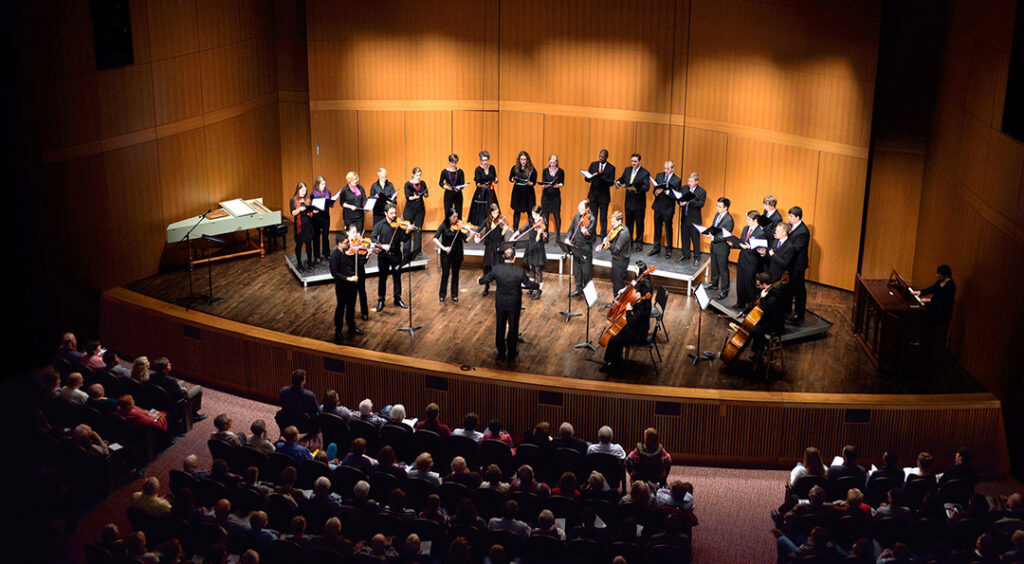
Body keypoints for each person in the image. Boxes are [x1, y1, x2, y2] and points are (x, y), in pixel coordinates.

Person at [478, 247, 540, 363]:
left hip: (501, 302)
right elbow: (528, 284)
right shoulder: (519, 271)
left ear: (503, 257)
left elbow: (486, 279)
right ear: (514, 258)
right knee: (513, 327)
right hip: (514, 303)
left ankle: (501, 352)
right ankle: (511, 353)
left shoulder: (496, 269)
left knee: (500, 326)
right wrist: (538, 286)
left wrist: (479, 281)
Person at [600, 262, 653, 372]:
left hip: (639, 334)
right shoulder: (641, 303)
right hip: (637, 328)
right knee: (618, 333)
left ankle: (612, 364)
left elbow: (631, 321)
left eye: (636, 293)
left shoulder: (642, 306)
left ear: (641, 295)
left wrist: (629, 311)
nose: (635, 294)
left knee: (614, 339)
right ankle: (616, 359)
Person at [371, 203, 413, 312]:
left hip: (396, 254)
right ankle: (381, 300)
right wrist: (382, 245)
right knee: (382, 279)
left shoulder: (398, 225)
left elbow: (404, 239)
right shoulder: (379, 225)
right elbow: (373, 238)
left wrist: (408, 231)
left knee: (397, 277)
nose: (394, 215)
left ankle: (397, 298)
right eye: (391, 213)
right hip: (383, 256)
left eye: (395, 213)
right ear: (385, 213)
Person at [912, 264, 956, 350]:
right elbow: (932, 288)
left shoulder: (951, 286)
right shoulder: (940, 282)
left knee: (938, 334)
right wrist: (920, 292)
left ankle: (932, 349)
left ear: (944, 274)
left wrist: (929, 300)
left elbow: (944, 301)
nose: (937, 275)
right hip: (934, 309)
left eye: (939, 274)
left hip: (942, 313)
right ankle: (924, 343)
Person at [746, 272, 788, 362]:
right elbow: (756, 303)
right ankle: (759, 350)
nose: (758, 287)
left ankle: (765, 344)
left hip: (775, 324)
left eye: (759, 285)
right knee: (756, 328)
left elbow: (767, 310)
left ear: (764, 284)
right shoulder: (767, 290)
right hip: (768, 319)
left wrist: (762, 298)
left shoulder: (773, 295)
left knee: (754, 330)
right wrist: (745, 312)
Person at [732, 210, 768, 310]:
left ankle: (750, 306)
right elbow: (741, 242)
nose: (747, 221)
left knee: (749, 285)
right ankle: (740, 303)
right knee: (740, 283)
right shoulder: (745, 228)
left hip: (751, 262)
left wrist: (750, 247)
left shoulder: (760, 233)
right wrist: (734, 244)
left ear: (755, 220)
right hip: (742, 259)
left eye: (749, 219)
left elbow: (761, 249)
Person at [149, 357, 204, 421]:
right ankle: (193, 415)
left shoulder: (151, 376)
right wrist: (183, 390)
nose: (170, 364)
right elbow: (181, 394)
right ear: (164, 370)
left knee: (182, 382)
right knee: (199, 388)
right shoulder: (170, 380)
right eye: (168, 365)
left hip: (161, 399)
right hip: (174, 401)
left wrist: (178, 388)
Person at [329, 233, 361, 342]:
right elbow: (334, 273)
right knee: (341, 308)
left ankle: (351, 327)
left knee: (351, 307)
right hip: (342, 286)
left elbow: (358, 263)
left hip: (352, 285)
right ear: (339, 243)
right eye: (346, 243)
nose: (349, 244)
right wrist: (348, 278)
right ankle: (338, 331)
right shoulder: (334, 256)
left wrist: (366, 255)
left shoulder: (348, 253)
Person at [616, 153, 650, 251]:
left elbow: (646, 187)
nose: (633, 163)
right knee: (629, 223)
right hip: (629, 202)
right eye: (632, 161)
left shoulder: (645, 173)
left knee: (639, 224)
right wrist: (618, 183)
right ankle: (629, 242)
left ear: (640, 161)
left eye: (635, 161)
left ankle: (639, 243)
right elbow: (622, 179)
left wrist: (636, 188)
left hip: (639, 203)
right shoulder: (627, 170)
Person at [474, 203, 510, 297]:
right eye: (494, 213)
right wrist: (478, 236)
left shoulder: (501, 220)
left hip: (498, 246)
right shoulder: (487, 221)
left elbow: (502, 235)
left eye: (497, 213)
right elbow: (478, 231)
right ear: (490, 213)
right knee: (487, 267)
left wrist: (504, 231)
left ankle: (500, 288)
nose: (496, 215)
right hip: (490, 246)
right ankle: (486, 287)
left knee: (498, 268)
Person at [433, 208, 468, 303]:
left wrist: (473, 234)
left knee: (456, 274)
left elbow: (466, 240)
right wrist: (444, 248)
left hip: (457, 252)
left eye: (457, 216)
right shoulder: (444, 226)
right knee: (445, 274)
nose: (456, 219)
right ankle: (442, 294)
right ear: (449, 217)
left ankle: (454, 294)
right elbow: (435, 238)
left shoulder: (459, 227)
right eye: (454, 217)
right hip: (446, 254)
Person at [512, 205, 548, 300]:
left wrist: (539, 234)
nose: (533, 216)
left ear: (539, 214)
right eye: (532, 214)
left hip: (538, 247)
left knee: (537, 269)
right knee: (531, 267)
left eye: (535, 215)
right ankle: (532, 286)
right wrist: (514, 236)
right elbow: (522, 229)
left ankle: (539, 289)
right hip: (530, 245)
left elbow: (543, 237)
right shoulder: (532, 221)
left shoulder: (543, 223)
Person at [702, 197, 734, 300]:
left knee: (723, 269)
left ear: (726, 208)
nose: (717, 208)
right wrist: (708, 232)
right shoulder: (717, 215)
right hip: (714, 245)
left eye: (719, 206)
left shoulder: (729, 220)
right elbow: (714, 227)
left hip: (722, 248)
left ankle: (724, 290)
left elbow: (725, 235)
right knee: (714, 266)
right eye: (717, 205)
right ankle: (713, 284)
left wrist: (714, 237)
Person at [649, 160, 681, 259]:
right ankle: (656, 247)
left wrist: (667, 192)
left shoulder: (676, 180)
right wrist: (657, 192)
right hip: (658, 206)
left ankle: (668, 250)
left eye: (668, 169)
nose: (665, 170)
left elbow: (677, 195)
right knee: (657, 228)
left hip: (668, 208)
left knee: (668, 229)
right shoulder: (659, 176)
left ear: (673, 169)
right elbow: (654, 190)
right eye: (665, 168)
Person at [566, 200, 596, 298]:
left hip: (585, 248)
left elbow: (590, 236)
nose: (579, 210)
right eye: (578, 208)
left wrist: (586, 233)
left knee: (586, 271)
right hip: (576, 246)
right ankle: (579, 288)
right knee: (577, 269)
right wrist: (568, 238)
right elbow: (571, 229)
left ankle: (588, 292)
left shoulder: (592, 219)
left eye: (581, 209)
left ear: (587, 209)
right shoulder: (576, 217)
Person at [786, 206, 811, 323]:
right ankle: (788, 310)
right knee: (789, 288)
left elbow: (796, 248)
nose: (788, 218)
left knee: (799, 289)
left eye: (791, 216)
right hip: (790, 264)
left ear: (797, 217)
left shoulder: (803, 231)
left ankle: (799, 313)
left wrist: (783, 242)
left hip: (798, 265)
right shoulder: (790, 226)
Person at [600, 211, 631, 298]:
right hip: (617, 259)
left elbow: (616, 249)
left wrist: (608, 245)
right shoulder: (618, 229)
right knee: (615, 282)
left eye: (613, 222)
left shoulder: (623, 233)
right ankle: (615, 302)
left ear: (619, 220)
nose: (612, 224)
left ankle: (618, 305)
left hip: (621, 261)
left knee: (618, 284)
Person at [677, 172, 706, 265]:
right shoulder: (685, 188)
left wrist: (689, 202)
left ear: (696, 181)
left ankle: (697, 256)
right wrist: (680, 203)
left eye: (691, 181)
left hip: (694, 219)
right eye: (688, 180)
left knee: (695, 238)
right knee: (684, 237)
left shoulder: (701, 191)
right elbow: (680, 198)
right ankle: (686, 254)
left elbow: (701, 204)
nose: (689, 183)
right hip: (685, 217)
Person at [585, 149, 616, 236]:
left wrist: (600, 176)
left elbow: (611, 182)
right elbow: (587, 179)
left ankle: (603, 235)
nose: (601, 158)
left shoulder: (611, 168)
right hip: (593, 195)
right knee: (592, 217)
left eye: (603, 157)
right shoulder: (593, 164)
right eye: (600, 156)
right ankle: (592, 234)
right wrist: (591, 177)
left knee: (603, 217)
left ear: (606, 157)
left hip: (604, 196)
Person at [402, 167, 429, 256]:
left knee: (418, 230)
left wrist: (425, 194)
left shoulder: (423, 183)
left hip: (420, 209)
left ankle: (417, 250)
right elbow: (408, 197)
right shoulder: (408, 184)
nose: (419, 177)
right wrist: (416, 197)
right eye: (417, 175)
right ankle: (406, 251)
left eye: (420, 175)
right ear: (413, 175)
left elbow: (426, 194)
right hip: (409, 210)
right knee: (408, 229)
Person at [346, 223, 370, 320]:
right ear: (348, 233)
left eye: (357, 232)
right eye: (353, 232)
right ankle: (350, 314)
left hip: (360, 271)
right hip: (350, 272)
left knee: (362, 292)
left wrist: (368, 255)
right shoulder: (346, 245)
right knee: (351, 294)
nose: (356, 235)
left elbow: (362, 262)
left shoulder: (359, 244)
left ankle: (365, 312)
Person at [289, 181, 315, 271]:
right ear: (298, 190)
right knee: (299, 245)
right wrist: (300, 209)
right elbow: (293, 213)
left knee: (308, 244)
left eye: (305, 191)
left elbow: (310, 212)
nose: (304, 192)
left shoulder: (307, 200)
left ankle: (310, 263)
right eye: (302, 191)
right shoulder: (293, 200)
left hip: (308, 225)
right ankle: (299, 264)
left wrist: (313, 211)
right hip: (299, 226)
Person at [508, 151, 537, 230]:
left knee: (530, 212)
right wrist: (513, 179)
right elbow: (510, 178)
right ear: (519, 160)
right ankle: (515, 230)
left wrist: (528, 183)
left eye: (525, 159)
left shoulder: (532, 169)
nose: (523, 161)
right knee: (517, 211)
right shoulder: (515, 168)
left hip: (528, 192)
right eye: (522, 159)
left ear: (527, 160)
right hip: (517, 192)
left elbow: (533, 182)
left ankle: (532, 231)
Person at [469, 150, 499, 225]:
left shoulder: (492, 168)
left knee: (492, 208)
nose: (485, 162)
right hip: (481, 192)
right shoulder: (478, 169)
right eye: (483, 160)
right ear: (480, 160)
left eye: (486, 160)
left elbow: (495, 179)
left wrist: (496, 180)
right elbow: (478, 184)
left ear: (488, 159)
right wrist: (485, 186)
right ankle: (482, 226)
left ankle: (491, 225)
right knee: (482, 210)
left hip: (490, 191)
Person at [310, 175, 334, 263]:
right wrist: (313, 210)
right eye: (322, 184)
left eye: (324, 184)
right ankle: (316, 256)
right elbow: (311, 206)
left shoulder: (328, 192)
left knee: (325, 236)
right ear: (317, 185)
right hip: (316, 217)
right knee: (316, 237)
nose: (324, 186)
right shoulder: (313, 193)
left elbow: (330, 203)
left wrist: (331, 204)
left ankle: (326, 253)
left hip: (325, 216)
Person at [540, 154, 564, 237]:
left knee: (556, 215)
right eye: (551, 162)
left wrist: (559, 185)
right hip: (546, 195)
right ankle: (546, 235)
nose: (552, 164)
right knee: (545, 215)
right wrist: (547, 185)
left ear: (557, 162)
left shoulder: (561, 171)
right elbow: (543, 183)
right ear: (549, 162)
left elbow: (562, 183)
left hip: (555, 196)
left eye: (554, 162)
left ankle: (558, 235)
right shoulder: (545, 171)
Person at [441, 153, 466, 219]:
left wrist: (459, 188)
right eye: (452, 162)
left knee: (459, 213)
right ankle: (448, 229)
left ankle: (458, 229)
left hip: (458, 195)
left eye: (455, 162)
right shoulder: (444, 172)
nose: (454, 164)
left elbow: (462, 184)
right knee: (448, 213)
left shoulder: (460, 172)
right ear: (449, 162)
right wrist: (445, 186)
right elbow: (440, 183)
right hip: (448, 195)